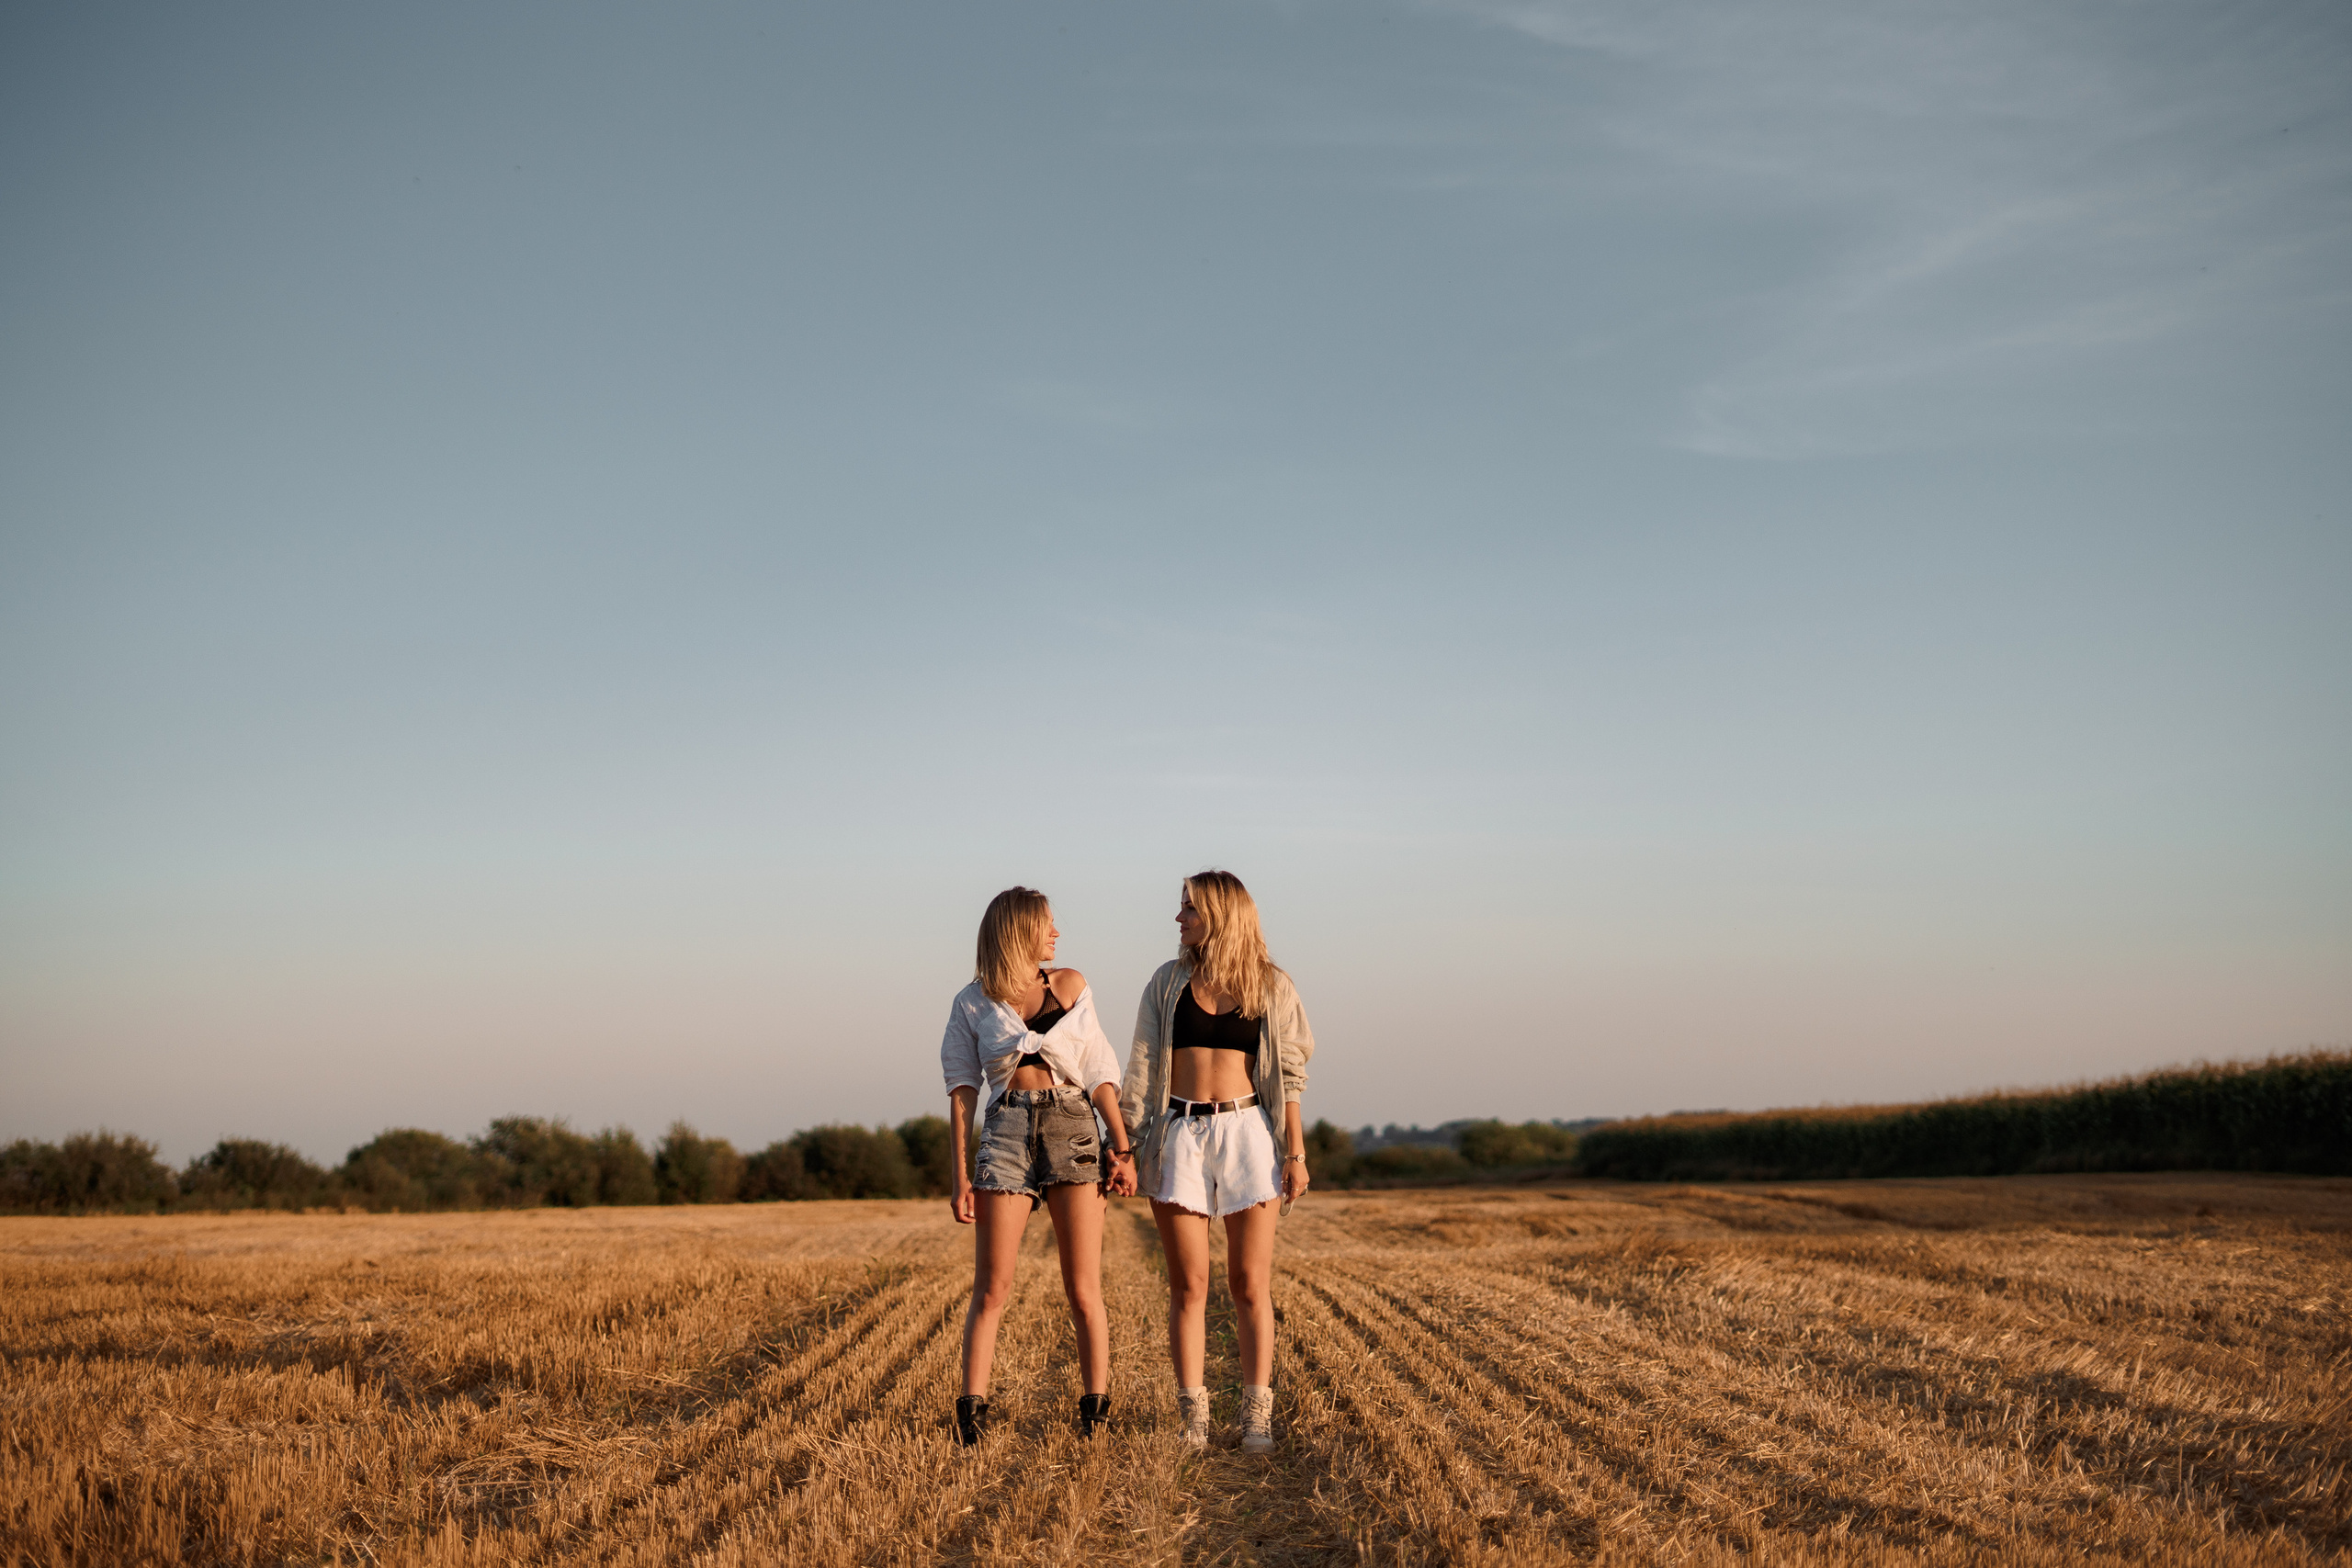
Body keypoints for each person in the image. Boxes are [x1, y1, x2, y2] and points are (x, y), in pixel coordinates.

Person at [1119, 869, 1314, 1453]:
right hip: (1178, 1133)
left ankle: (1257, 1417)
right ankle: (1193, 1421)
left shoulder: (1271, 986)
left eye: (1189, 910)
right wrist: (1127, 1145)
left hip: (1248, 1132)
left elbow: (1290, 1074)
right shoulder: (1167, 982)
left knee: (1250, 1283)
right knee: (1189, 1286)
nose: (1179, 920)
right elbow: (1142, 1067)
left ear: (1221, 915)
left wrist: (1296, 1152)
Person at [940, 886, 1137, 1446]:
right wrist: (961, 1179)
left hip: (1072, 1127)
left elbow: (1098, 1071)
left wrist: (1121, 1150)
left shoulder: (1070, 985)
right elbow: (961, 1092)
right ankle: (971, 1419)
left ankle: (1095, 1412)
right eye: (1048, 924)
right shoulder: (971, 1003)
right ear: (1018, 930)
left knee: (1082, 1286)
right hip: (1004, 1134)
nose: (1056, 934)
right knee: (992, 1287)